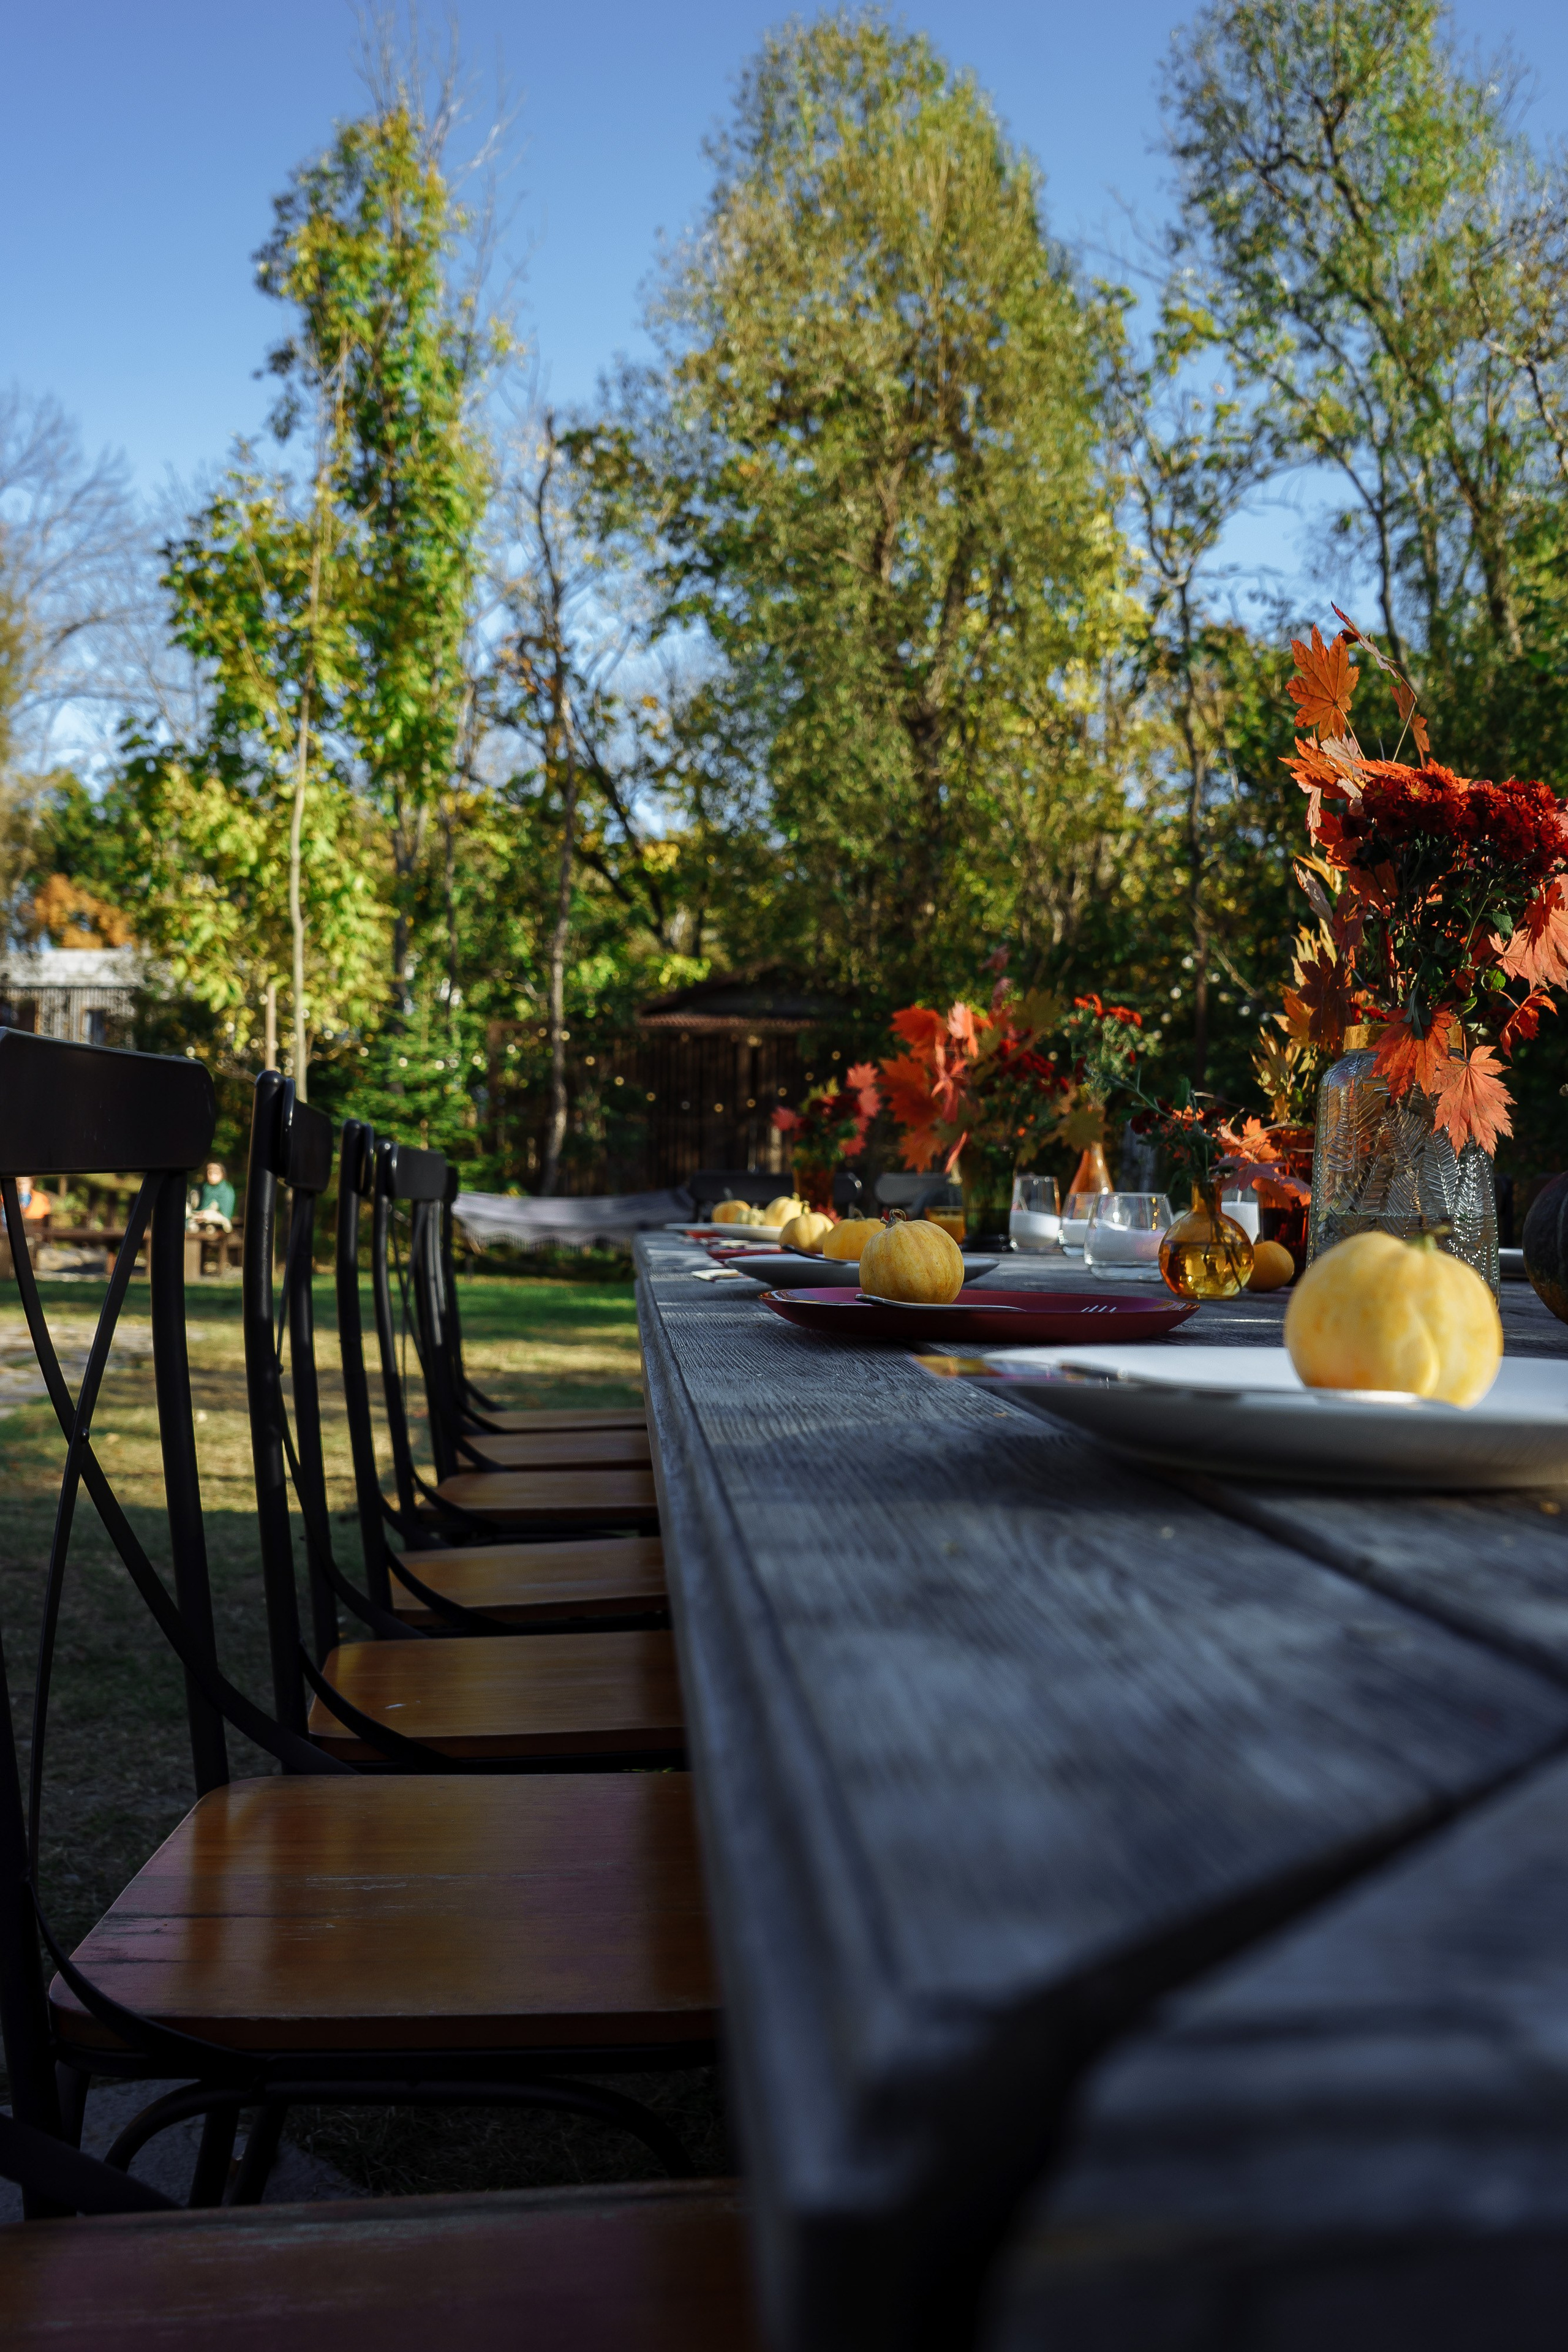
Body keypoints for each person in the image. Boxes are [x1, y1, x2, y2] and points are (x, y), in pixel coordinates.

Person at [188, 1160, 236, 1232]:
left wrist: (206, 1214)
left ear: (222, 1174)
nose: (212, 1174)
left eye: (216, 1172)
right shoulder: (204, 1187)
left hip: (219, 1218)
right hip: (200, 1216)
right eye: (210, 1172)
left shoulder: (226, 1189)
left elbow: (225, 1212)